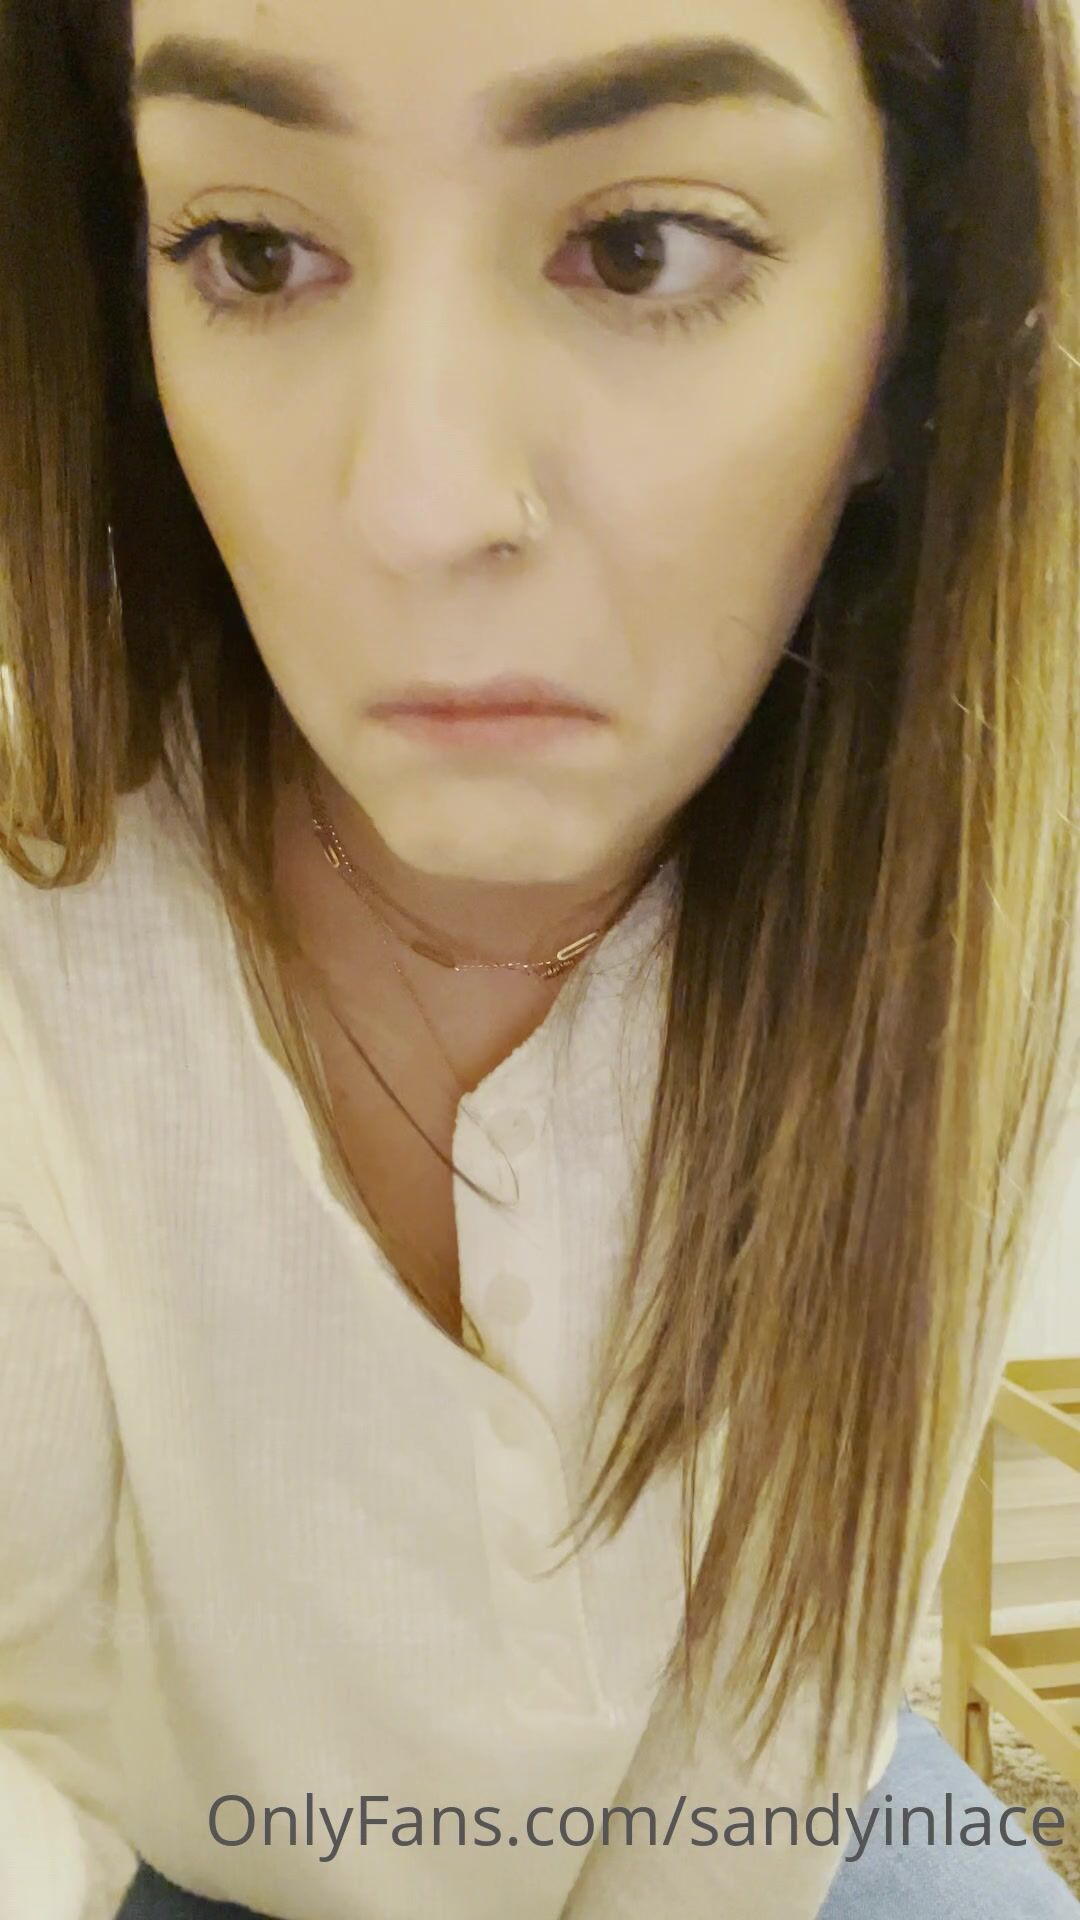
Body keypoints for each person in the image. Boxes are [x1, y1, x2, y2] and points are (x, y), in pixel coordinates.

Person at [0, 0, 1077, 1916]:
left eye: (640, 249)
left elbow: (780, 1696)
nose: (420, 508)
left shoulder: (990, 880)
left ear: (916, 321)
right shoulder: (44, 894)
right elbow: (26, 1748)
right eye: (254, 250)